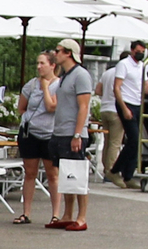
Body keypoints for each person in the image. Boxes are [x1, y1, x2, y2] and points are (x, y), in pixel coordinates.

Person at [49, 39, 95, 230]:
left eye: (58, 51)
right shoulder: (66, 76)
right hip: (60, 131)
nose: (55, 54)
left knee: (77, 176)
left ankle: (81, 216)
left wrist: (77, 134)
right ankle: (67, 214)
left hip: (73, 132)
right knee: (66, 176)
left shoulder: (81, 75)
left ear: (68, 53)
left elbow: (83, 106)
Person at [14, 50, 57, 226]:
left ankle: (55, 214)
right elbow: (21, 107)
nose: (39, 67)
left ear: (52, 65)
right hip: (30, 133)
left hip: (50, 134)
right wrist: (29, 119)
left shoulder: (58, 86)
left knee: (52, 174)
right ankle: (26, 212)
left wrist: (46, 87)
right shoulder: (31, 85)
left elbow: (50, 107)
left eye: (42, 63)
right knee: (30, 172)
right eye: (37, 63)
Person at [109, 42, 148, 188]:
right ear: (132, 51)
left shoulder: (142, 66)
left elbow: (146, 87)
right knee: (134, 138)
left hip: (138, 103)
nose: (140, 54)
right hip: (126, 102)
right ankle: (115, 169)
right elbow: (117, 87)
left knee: (135, 141)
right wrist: (124, 108)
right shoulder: (124, 64)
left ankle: (128, 175)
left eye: (142, 51)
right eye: (138, 51)